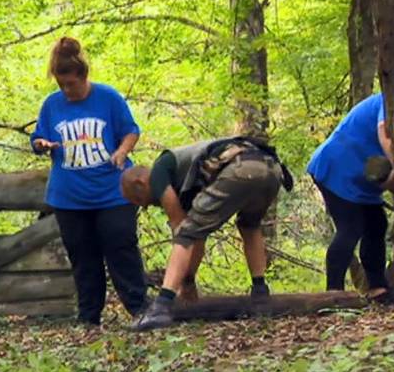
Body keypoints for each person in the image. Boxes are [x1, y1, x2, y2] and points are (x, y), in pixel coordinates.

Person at [30, 36, 148, 327]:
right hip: (69, 197)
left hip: (113, 192)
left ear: (83, 76)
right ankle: (89, 318)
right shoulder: (52, 105)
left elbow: (131, 130)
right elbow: (38, 137)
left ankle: (140, 310)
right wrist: (42, 144)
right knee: (83, 258)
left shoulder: (108, 98)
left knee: (121, 247)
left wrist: (122, 152)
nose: (66, 90)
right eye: (61, 85)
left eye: (71, 84)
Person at [121, 136, 293, 331]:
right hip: (271, 168)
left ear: (141, 182)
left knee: (185, 233)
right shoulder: (186, 183)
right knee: (250, 226)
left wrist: (184, 284)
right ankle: (261, 296)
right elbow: (198, 238)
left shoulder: (159, 172)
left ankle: (161, 307)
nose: (145, 206)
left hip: (240, 166)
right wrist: (189, 280)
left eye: (139, 200)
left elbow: (181, 228)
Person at [307, 92, 394, 304]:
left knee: (376, 224)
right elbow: (385, 136)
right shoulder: (391, 99)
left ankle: (377, 289)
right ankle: (333, 294)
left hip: (364, 178)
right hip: (337, 168)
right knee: (350, 228)